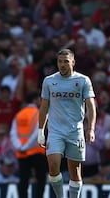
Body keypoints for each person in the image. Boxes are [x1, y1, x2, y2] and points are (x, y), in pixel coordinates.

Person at [38, 49, 97, 198]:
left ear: (73, 62)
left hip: (75, 131)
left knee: (75, 172)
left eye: (66, 61)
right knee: (53, 165)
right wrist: (40, 131)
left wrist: (90, 129)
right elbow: (44, 107)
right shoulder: (49, 81)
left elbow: (91, 107)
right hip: (55, 132)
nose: (62, 64)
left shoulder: (83, 80)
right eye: (60, 61)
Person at [10, 91, 47, 198]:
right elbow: (37, 133)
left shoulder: (19, 114)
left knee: (23, 180)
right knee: (41, 179)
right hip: (36, 151)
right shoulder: (39, 113)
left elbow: (13, 133)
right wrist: (26, 146)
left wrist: (20, 147)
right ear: (35, 100)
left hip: (22, 153)